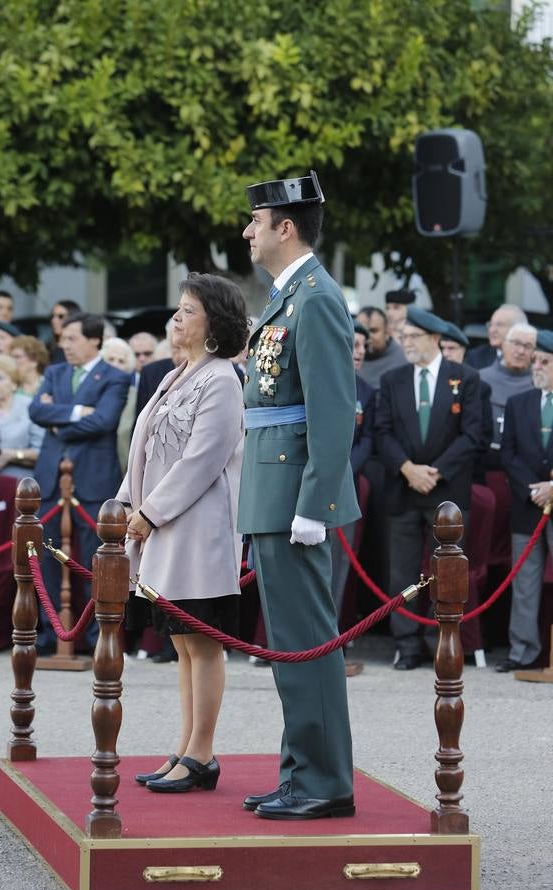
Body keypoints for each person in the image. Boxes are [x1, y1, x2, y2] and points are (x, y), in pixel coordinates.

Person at [238, 170, 358, 821]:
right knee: (289, 648)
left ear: (286, 227)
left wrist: (313, 506)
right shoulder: (293, 295)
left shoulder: (314, 297)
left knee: (307, 644)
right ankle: (300, 773)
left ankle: (325, 783)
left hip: (294, 499)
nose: (248, 230)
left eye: (257, 220)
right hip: (274, 491)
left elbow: (333, 411)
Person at [120, 272, 248, 794]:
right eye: (177, 309)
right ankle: (183, 746)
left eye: (188, 310)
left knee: (202, 642)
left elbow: (202, 460)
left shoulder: (221, 378)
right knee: (181, 642)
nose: (176, 319)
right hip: (162, 526)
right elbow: (145, 448)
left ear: (214, 323)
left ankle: (202, 754)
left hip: (198, 528)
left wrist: (151, 511)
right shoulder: (177, 374)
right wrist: (126, 501)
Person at [376, 306, 482, 670]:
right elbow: (382, 431)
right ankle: (406, 645)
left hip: (447, 492)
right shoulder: (393, 379)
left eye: (413, 338)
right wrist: (408, 469)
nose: (406, 343)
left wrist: (434, 472)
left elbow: (473, 435)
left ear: (435, 339)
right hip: (404, 490)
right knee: (402, 572)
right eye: (403, 337)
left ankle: (443, 641)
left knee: (447, 572)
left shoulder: (465, 378)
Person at [29, 313, 130, 652]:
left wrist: (58, 418)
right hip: (52, 480)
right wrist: (77, 412)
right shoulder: (55, 372)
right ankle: (50, 634)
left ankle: (95, 637)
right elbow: (35, 411)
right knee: (45, 559)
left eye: (72, 338)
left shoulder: (115, 376)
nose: (64, 345)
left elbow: (105, 420)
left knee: (94, 561)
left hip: (93, 479)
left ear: (94, 340)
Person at [499, 330, 553, 672]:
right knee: (524, 582)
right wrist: (535, 490)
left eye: (545, 361)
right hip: (527, 505)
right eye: (536, 360)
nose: (537, 366)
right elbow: (509, 454)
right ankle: (522, 652)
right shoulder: (519, 402)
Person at [330, 320, 375, 644]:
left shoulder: (368, 391)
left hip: (347, 482)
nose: (359, 352)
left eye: (363, 346)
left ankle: (331, 635)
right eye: (354, 344)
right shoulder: (322, 379)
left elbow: (368, 439)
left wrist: (342, 468)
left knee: (340, 562)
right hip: (312, 480)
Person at [439, 320, 493, 481]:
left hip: (465, 471)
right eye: (442, 348)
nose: (446, 353)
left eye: (452, 348)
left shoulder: (478, 386)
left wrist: (448, 464)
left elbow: (483, 437)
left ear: (464, 351)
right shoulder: (427, 385)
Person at [479, 321, 536, 467]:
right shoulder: (480, 379)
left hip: (526, 465)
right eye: (516, 343)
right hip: (483, 461)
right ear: (503, 345)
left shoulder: (539, 385)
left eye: (528, 346)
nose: (521, 351)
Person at [0, 355, 44, 479]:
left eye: (0, 378)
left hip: (19, 481)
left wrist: (11, 455)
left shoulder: (30, 407)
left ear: (14, 383)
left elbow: (42, 452)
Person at [135, 319, 186, 419]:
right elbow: (140, 419)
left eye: (186, 347)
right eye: (176, 348)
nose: (182, 354)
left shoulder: (210, 372)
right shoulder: (150, 373)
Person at [101, 337, 137, 474]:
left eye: (121, 361)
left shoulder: (134, 395)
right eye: (110, 359)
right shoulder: (89, 390)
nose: (115, 365)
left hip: (122, 468)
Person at [357, 306, 406, 390]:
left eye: (373, 331)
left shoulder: (403, 359)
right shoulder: (348, 360)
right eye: (362, 331)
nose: (368, 336)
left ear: (387, 332)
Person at [465, 303, 527, 370]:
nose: (492, 330)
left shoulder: (534, 357)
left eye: (499, 325)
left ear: (518, 328)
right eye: (490, 324)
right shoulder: (476, 357)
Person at [48, 299, 81, 363]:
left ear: (73, 317)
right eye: (52, 316)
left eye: (60, 316)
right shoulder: (47, 348)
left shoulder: (80, 348)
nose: (54, 320)